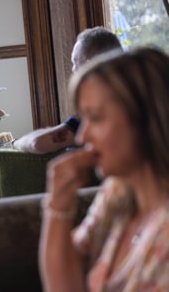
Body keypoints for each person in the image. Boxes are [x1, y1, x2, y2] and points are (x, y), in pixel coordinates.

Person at [39, 47, 169, 291]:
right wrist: (58, 206)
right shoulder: (117, 192)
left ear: (144, 121)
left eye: (96, 118)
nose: (82, 136)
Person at [12, 26, 123, 153]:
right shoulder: (126, 98)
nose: (73, 69)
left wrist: (15, 143)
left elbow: (38, 143)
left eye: (75, 62)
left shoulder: (101, 109)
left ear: (90, 64)